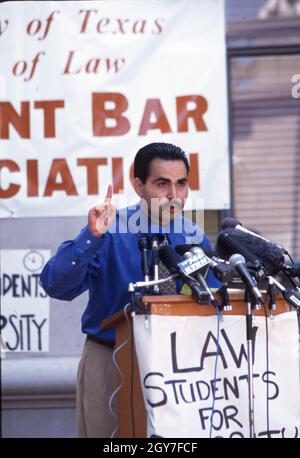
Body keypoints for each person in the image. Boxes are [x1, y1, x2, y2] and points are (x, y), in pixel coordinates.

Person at [40, 142, 220, 438]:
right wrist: (91, 237)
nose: (174, 195)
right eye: (162, 184)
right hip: (111, 361)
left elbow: (208, 304)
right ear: (139, 186)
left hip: (178, 367)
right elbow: (55, 284)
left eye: (181, 184)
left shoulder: (194, 236)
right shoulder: (109, 230)